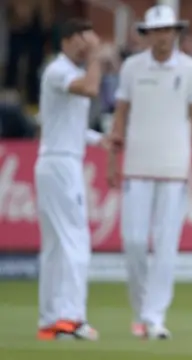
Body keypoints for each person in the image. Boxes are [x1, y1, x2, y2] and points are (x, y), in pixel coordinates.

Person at [107, 5, 192, 340]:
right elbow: (119, 114)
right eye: (156, 31)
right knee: (134, 241)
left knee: (166, 245)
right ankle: (141, 310)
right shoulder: (132, 68)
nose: (162, 36)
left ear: (176, 32)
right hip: (136, 164)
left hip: (174, 167)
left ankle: (154, 316)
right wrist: (112, 161)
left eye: (167, 30)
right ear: (147, 34)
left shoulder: (191, 69)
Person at [35, 18, 109, 340]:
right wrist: (96, 57)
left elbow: (66, 123)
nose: (89, 43)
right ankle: (71, 318)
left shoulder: (66, 72)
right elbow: (91, 89)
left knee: (54, 246)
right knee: (75, 241)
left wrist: (97, 139)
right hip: (62, 165)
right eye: (84, 38)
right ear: (68, 39)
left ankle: (51, 321)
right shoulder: (59, 70)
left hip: (57, 160)